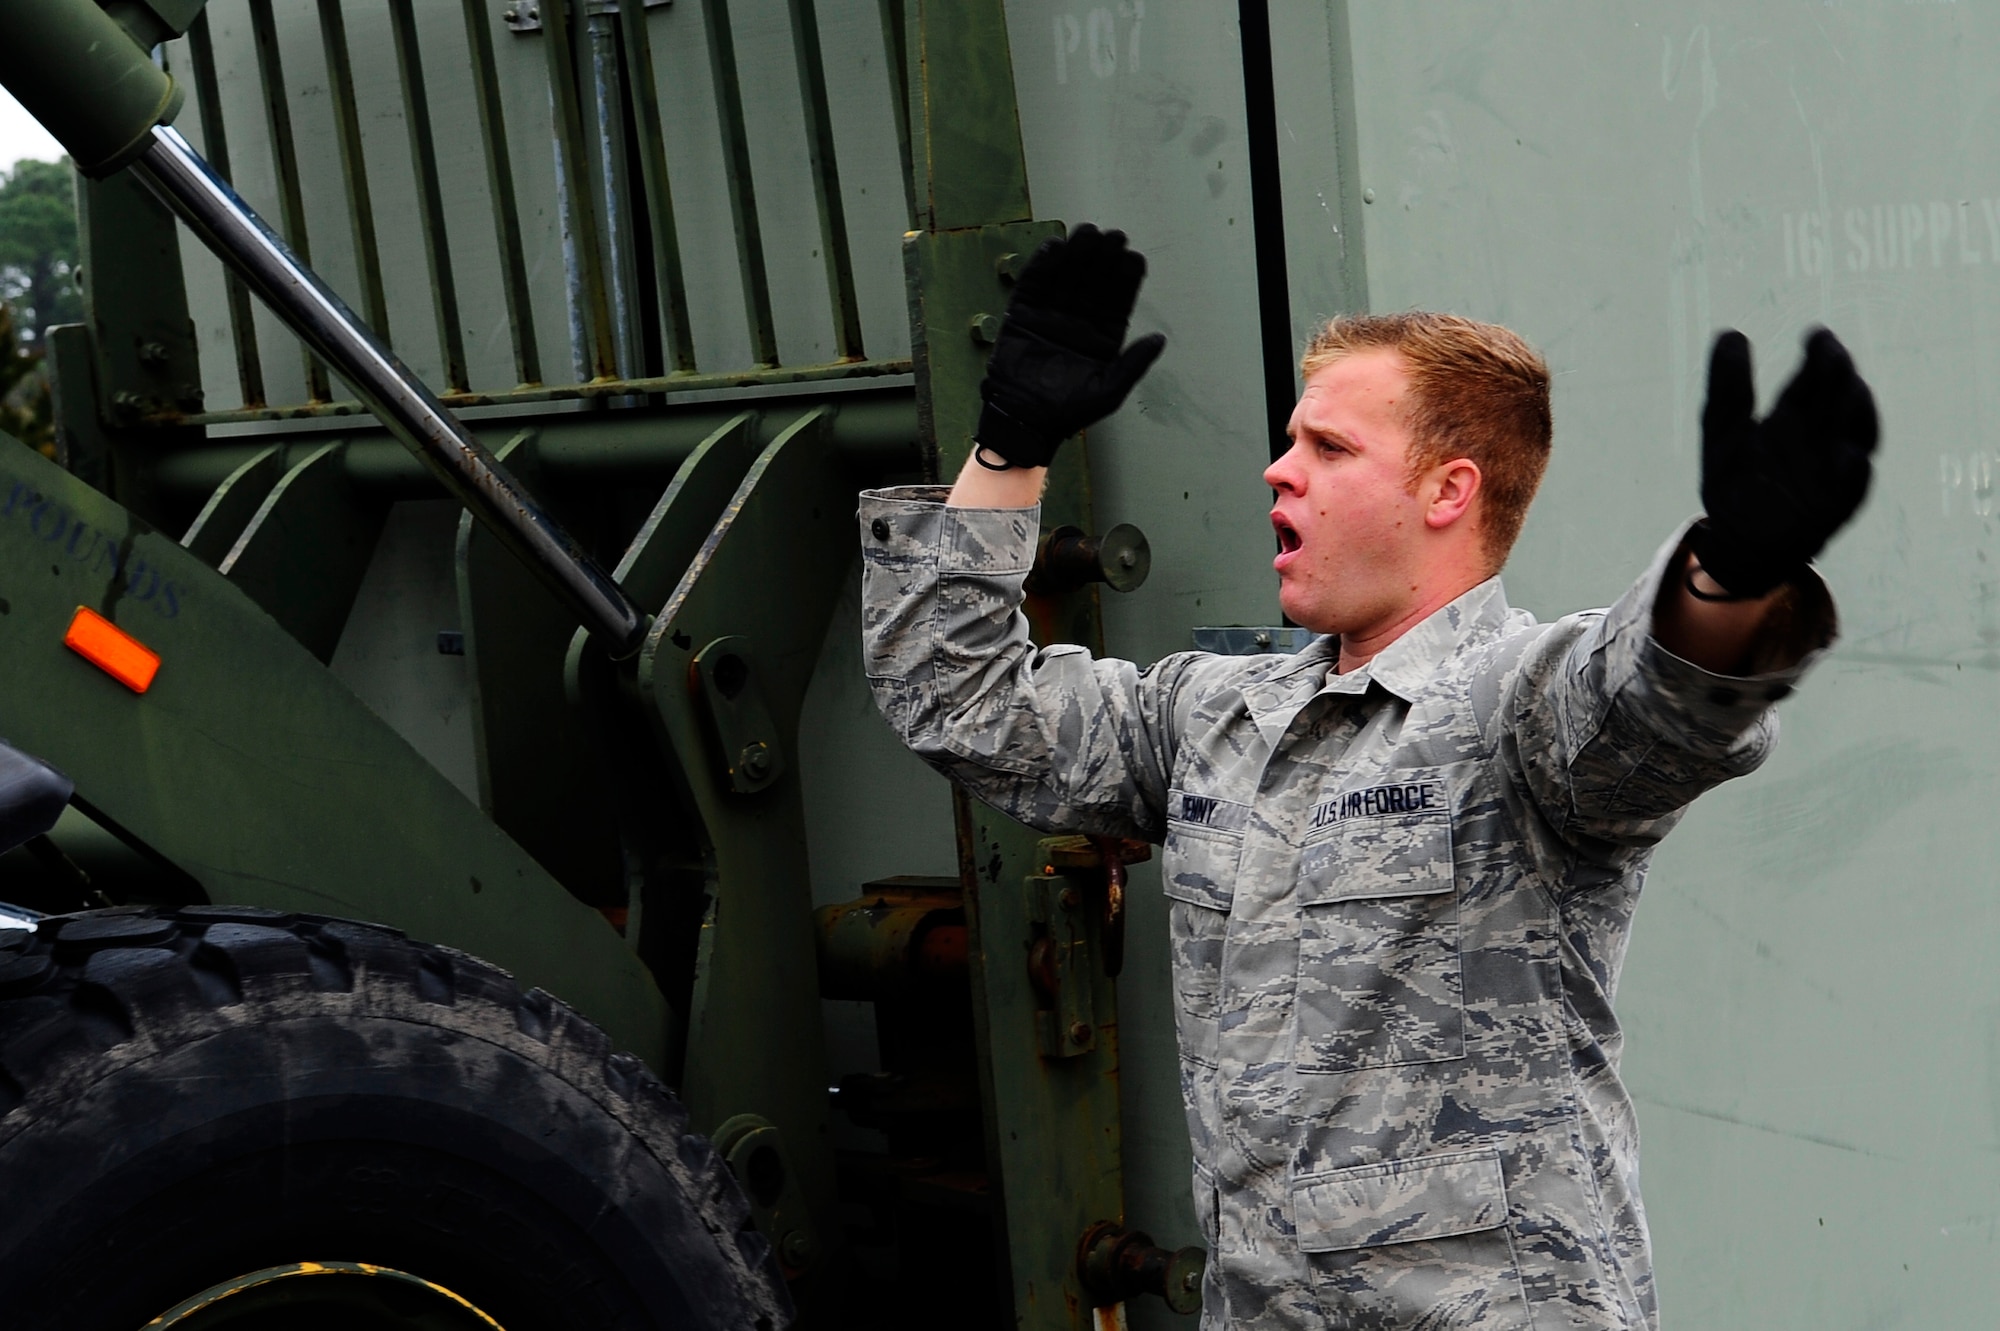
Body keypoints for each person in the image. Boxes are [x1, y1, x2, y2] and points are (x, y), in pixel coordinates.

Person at [857, 225, 1877, 1329]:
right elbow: (960, 701)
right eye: (1289, 438)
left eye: (1327, 447)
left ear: (1446, 490)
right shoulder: (1213, 714)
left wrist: (1724, 577)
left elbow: (1651, 704)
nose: (1276, 466)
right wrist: (1007, 452)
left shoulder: (1511, 706)